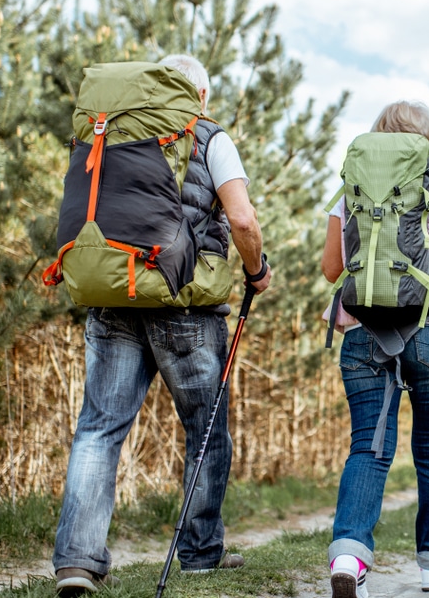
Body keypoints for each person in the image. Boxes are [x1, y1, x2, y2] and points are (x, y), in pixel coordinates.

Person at [52, 54, 273, 596]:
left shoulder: (112, 132)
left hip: (114, 294)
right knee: (205, 429)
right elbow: (241, 218)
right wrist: (257, 270)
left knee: (100, 428)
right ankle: (199, 556)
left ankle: (77, 561)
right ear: (199, 95)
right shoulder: (208, 134)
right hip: (185, 305)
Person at [320, 101, 429, 598]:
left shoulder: (349, 186)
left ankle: (350, 556)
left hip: (362, 331)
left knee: (368, 448)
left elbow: (332, 269)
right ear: (428, 141)